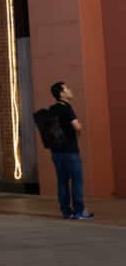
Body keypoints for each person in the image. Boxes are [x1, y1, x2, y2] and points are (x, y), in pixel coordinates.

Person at [49, 82, 94, 220]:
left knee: (62, 181)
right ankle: (79, 211)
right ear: (61, 93)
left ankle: (66, 211)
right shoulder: (67, 108)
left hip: (56, 151)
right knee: (76, 180)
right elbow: (77, 126)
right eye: (67, 88)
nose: (70, 90)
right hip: (70, 151)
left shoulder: (52, 109)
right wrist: (80, 127)